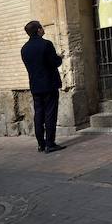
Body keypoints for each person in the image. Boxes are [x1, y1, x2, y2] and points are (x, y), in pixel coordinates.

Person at [21, 20, 65, 153]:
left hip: (35, 86)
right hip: (49, 84)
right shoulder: (46, 44)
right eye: (42, 27)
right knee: (50, 114)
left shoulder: (24, 49)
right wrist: (60, 58)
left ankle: (41, 144)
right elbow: (54, 62)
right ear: (38, 30)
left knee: (38, 115)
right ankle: (50, 143)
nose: (43, 29)